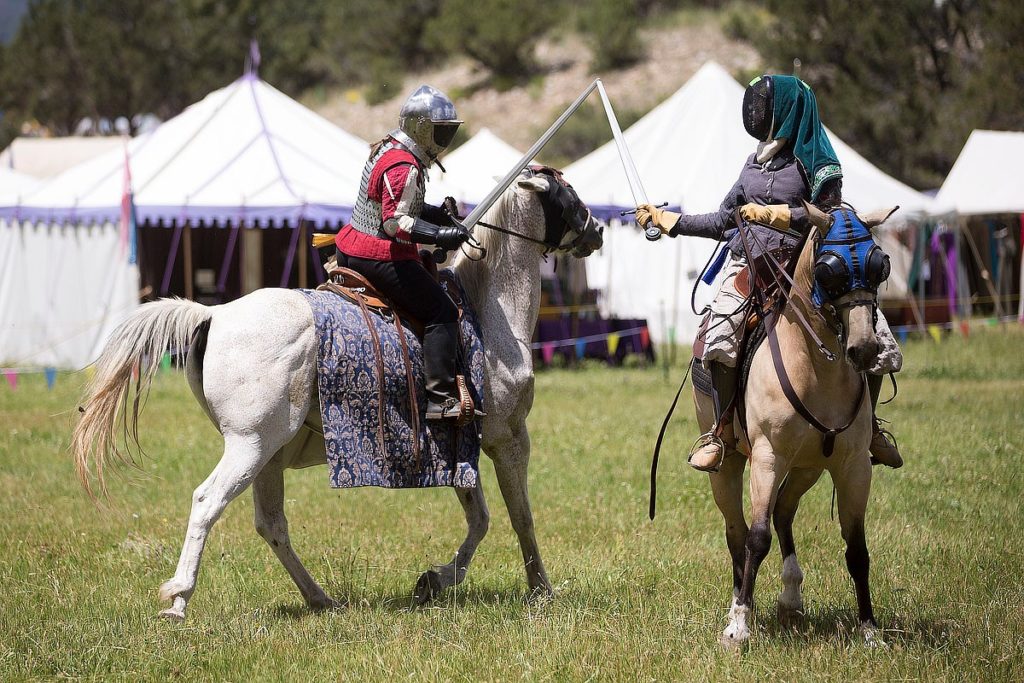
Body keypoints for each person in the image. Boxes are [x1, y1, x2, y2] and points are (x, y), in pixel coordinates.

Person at [636, 75, 903, 472]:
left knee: (874, 332)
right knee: (720, 333)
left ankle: (872, 429)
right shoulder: (753, 162)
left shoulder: (819, 162)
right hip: (750, 265)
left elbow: (830, 217)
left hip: (808, 270)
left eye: (765, 104)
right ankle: (721, 431)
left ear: (787, 110)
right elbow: (724, 220)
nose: (756, 111)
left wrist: (781, 216)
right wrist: (672, 221)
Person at [334, 84, 479, 422]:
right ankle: (440, 400)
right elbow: (394, 223)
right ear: (421, 128)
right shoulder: (404, 164)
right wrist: (440, 233)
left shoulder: (393, 149)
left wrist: (438, 216)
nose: (444, 138)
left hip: (357, 245)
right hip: (378, 253)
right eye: (440, 131)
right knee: (441, 310)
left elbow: (405, 204)